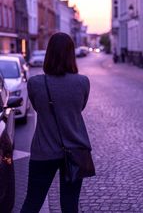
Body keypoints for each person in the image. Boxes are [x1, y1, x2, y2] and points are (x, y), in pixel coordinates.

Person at [20, 33, 92, 213]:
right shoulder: (83, 82)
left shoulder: (35, 83)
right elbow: (79, 108)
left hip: (44, 150)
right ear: (71, 54)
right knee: (70, 205)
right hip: (75, 150)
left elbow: (39, 109)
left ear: (49, 53)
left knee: (32, 203)